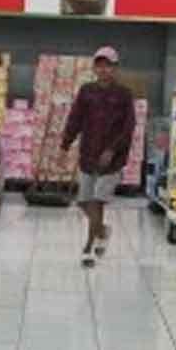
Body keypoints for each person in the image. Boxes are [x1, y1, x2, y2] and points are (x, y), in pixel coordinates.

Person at [60, 46, 138, 266]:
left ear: (115, 68)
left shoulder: (124, 95)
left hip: (112, 161)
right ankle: (102, 231)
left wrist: (112, 150)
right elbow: (75, 119)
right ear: (94, 68)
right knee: (83, 202)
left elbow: (128, 127)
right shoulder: (86, 91)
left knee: (97, 203)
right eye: (100, 65)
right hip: (88, 155)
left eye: (108, 66)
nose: (104, 70)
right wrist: (65, 145)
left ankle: (88, 249)